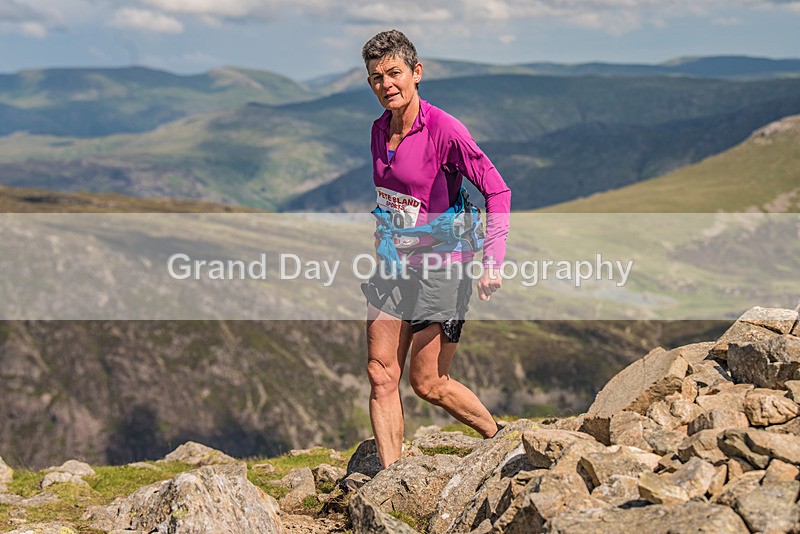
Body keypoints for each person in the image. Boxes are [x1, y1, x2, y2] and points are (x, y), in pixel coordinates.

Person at [361, 29, 511, 468]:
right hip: (393, 263)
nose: (386, 84)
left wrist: (492, 262)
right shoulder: (378, 130)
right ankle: (391, 480)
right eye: (376, 77)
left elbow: (497, 191)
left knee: (428, 382)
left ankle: (500, 439)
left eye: (394, 73)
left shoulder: (445, 129)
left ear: (416, 72)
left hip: (443, 265)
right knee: (380, 373)